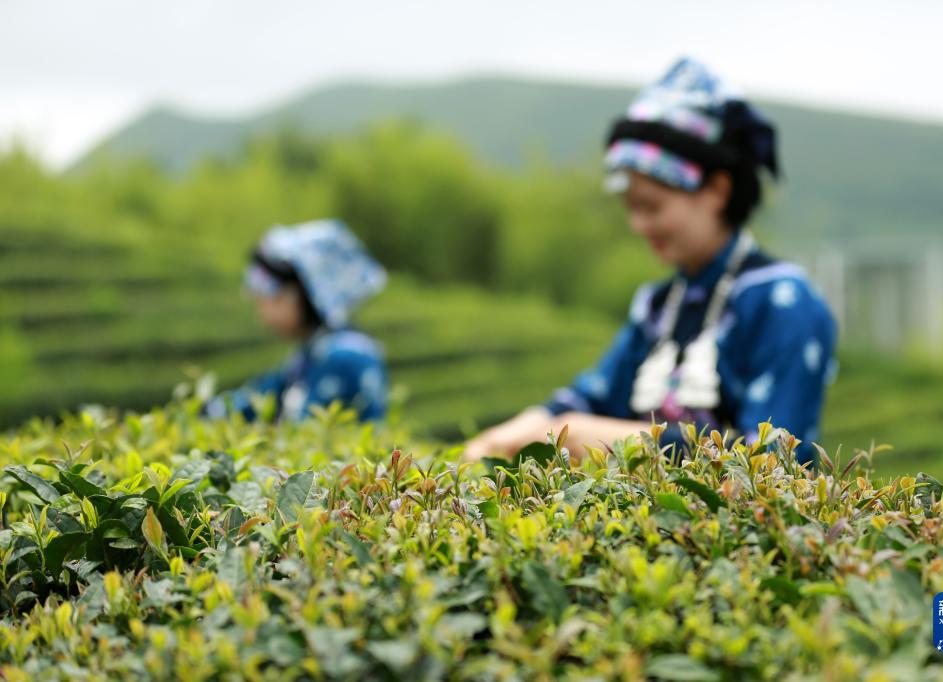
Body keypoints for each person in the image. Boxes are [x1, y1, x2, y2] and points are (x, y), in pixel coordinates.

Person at [463, 58, 837, 466]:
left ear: (717, 189)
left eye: (652, 206)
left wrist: (605, 437)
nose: (638, 225)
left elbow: (776, 460)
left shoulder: (782, 302)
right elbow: (590, 397)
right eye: (631, 208)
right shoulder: (658, 306)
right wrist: (501, 438)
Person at [203, 219, 389, 423]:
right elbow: (255, 400)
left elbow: (305, 432)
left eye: (270, 295)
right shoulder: (313, 353)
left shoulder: (345, 357)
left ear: (302, 294)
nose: (260, 307)